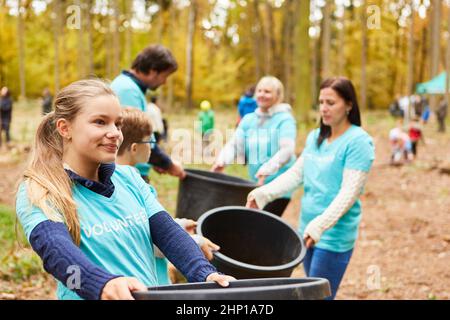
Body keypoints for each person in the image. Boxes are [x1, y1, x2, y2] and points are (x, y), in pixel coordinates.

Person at [15, 79, 234, 300]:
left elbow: (167, 233)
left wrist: (204, 273)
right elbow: (57, 254)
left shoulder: (129, 177)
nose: (115, 133)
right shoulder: (40, 190)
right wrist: (101, 285)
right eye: (100, 122)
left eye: (118, 124)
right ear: (65, 128)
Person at [246, 77, 375, 300]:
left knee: (317, 297)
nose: (324, 108)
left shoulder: (358, 142)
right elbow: (297, 174)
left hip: (333, 235)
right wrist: (264, 193)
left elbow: (349, 193)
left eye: (331, 103)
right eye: (321, 102)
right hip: (306, 230)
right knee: (310, 292)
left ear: (349, 105)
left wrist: (321, 225)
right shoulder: (316, 137)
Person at [115, 107, 220, 285]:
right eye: (151, 142)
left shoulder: (118, 181)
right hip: (145, 284)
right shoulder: (131, 187)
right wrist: (194, 242)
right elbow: (145, 238)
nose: (154, 148)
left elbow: (143, 224)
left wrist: (177, 224)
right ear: (134, 148)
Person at [212, 76, 297, 217]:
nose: (262, 95)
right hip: (256, 183)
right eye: (259, 90)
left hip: (279, 186)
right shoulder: (249, 119)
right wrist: (222, 161)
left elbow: (287, 150)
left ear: (278, 95)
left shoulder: (285, 119)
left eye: (267, 91)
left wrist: (268, 168)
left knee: (263, 224)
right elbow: (235, 144)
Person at [110, 44, 185, 181]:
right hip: (129, 174)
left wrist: (152, 160)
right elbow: (137, 136)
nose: (164, 82)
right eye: (164, 76)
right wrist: (169, 164)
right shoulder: (128, 90)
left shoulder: (131, 87)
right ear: (152, 71)